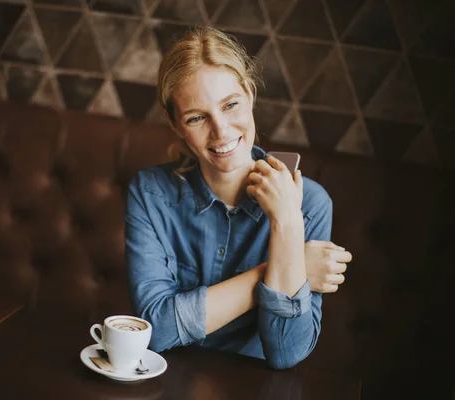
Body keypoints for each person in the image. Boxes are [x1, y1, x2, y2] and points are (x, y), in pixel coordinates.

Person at [124, 26, 352, 370]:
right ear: (175, 125)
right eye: (197, 117)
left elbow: (287, 353)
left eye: (230, 105)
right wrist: (289, 264)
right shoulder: (150, 192)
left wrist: (287, 223)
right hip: (166, 379)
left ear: (249, 95)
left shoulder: (308, 204)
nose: (221, 131)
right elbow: (155, 331)